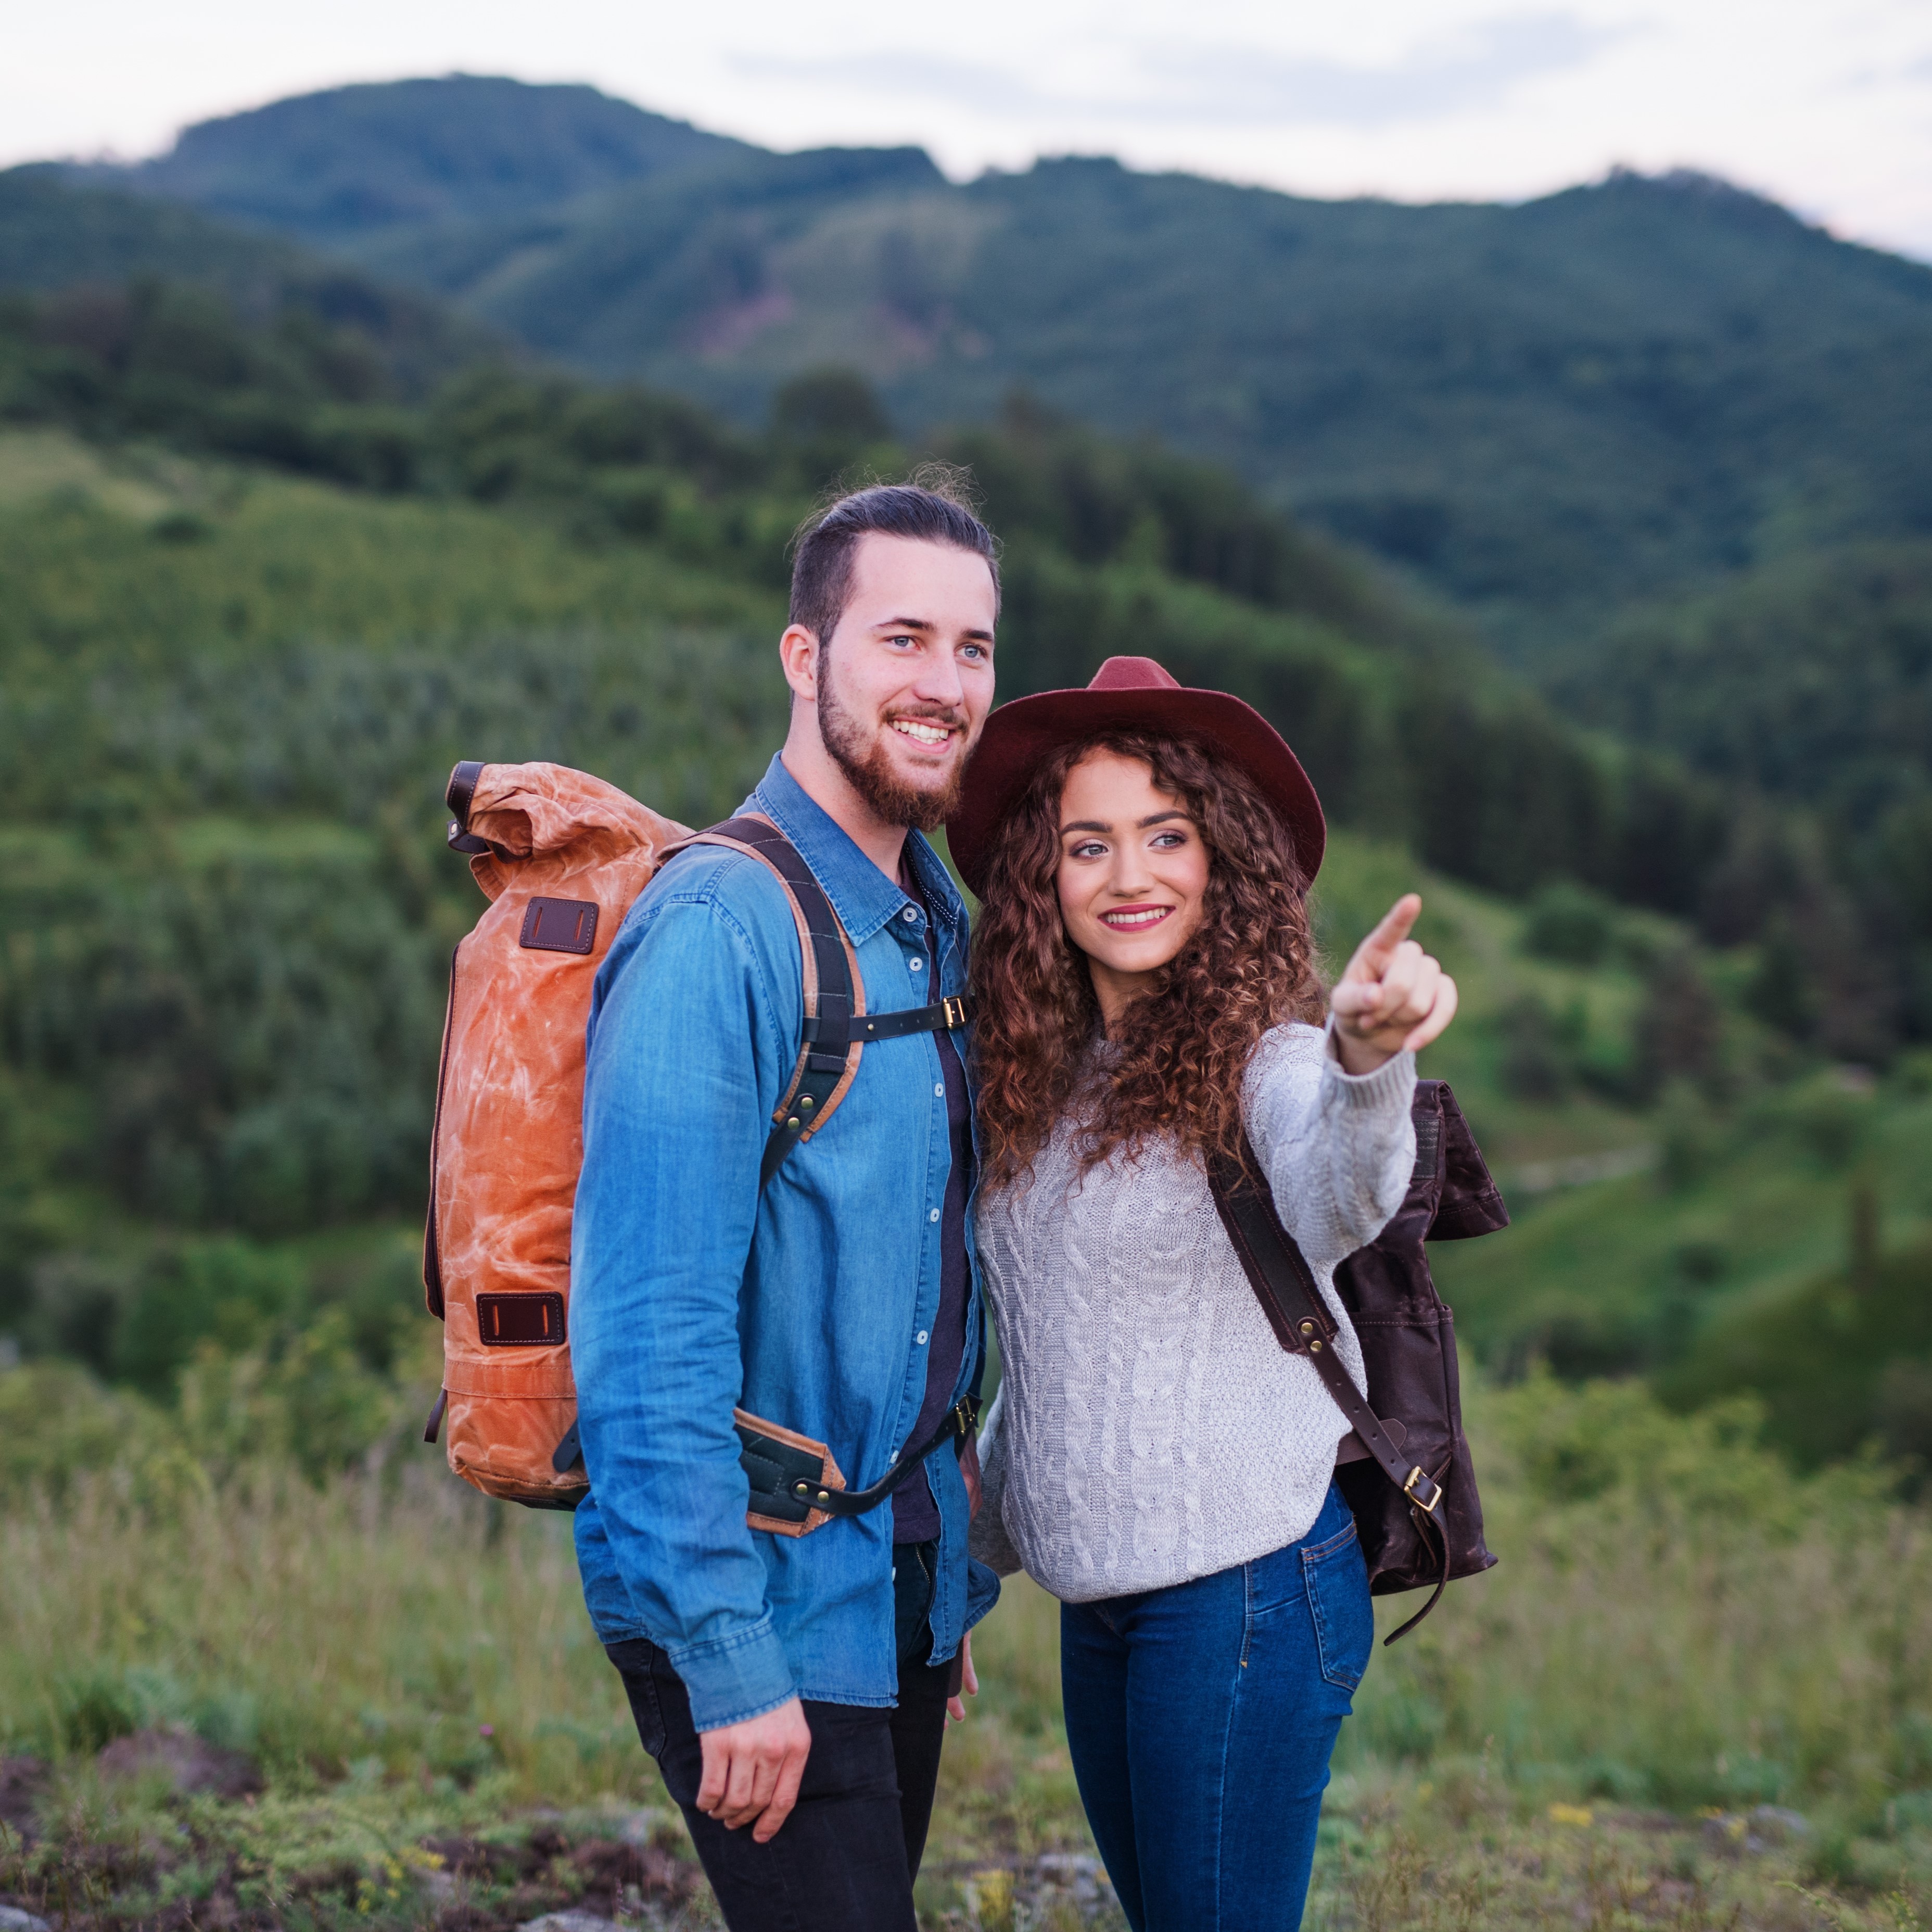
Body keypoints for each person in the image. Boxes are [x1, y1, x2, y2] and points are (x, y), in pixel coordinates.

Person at [949, 655, 1459, 1932]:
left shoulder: (1267, 1061)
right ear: (1040, 880)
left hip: (1242, 1594)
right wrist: (957, 1569)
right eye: (1088, 844)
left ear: (1222, 860)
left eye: (1165, 835)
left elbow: (1339, 1183)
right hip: (1099, 1607)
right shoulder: (1037, 1089)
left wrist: (1363, 1056)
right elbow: (1049, 1361)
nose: (1130, 876)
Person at [569, 480, 1004, 1931]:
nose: (944, 687)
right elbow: (642, 1345)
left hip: (890, 1584)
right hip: (754, 1602)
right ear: (805, 659)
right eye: (903, 640)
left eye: (974, 649)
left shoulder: (930, 920)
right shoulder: (717, 934)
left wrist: (934, 1593)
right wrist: (728, 1660)